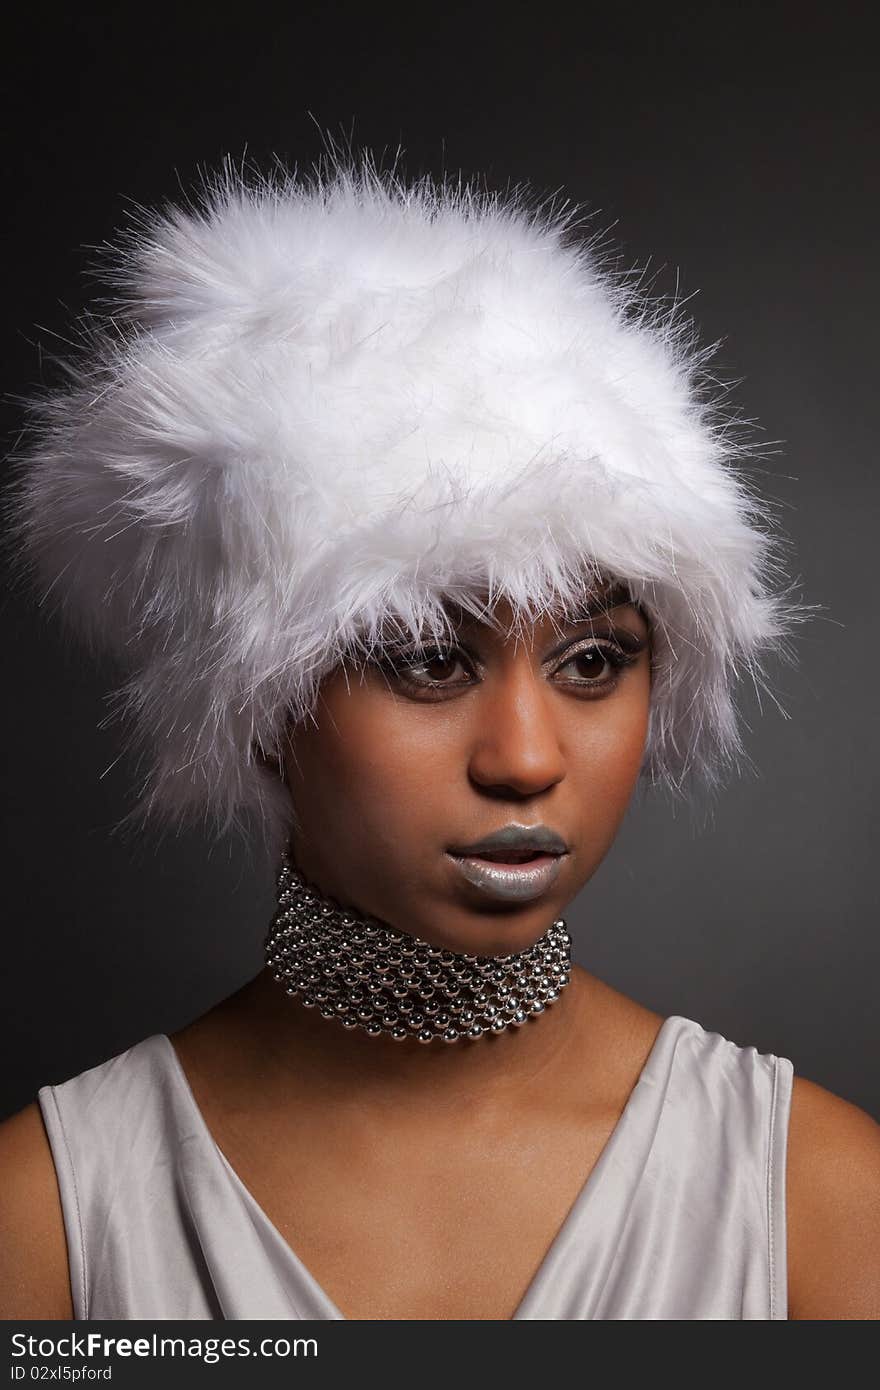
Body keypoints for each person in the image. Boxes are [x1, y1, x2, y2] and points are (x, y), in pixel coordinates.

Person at [1, 150, 878, 1322]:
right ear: (259, 699)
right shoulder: (46, 1223)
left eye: (592, 662)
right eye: (424, 657)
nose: (523, 757)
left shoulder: (818, 1200)